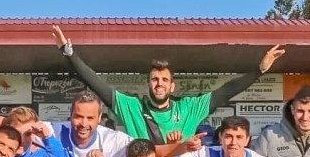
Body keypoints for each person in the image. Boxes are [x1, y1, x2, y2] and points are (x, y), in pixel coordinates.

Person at [52, 24, 286, 142]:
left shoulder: (188, 108)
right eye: (155, 79)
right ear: (148, 84)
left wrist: (259, 70)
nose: (159, 83)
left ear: (173, 86)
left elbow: (226, 91)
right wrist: (69, 53)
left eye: (164, 79)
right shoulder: (132, 107)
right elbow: (94, 82)